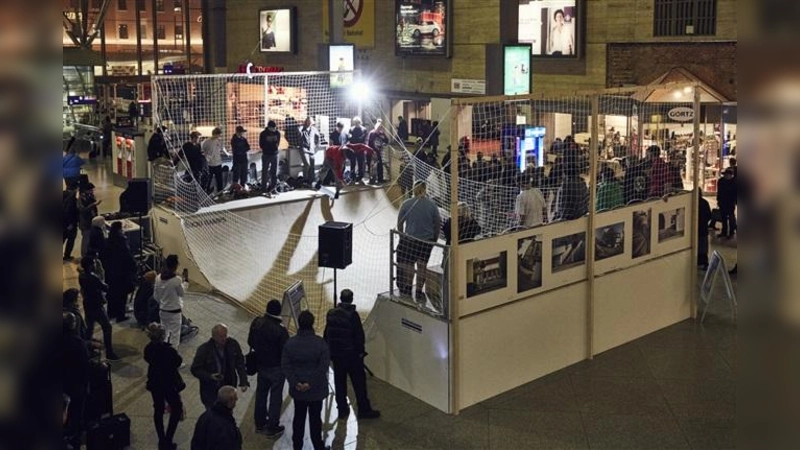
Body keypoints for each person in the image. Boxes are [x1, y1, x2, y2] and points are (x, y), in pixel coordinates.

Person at [324, 289, 380, 421]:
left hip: (337, 355)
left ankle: (342, 409)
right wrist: (360, 353)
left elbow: (327, 334)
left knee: (340, 383)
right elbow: (359, 336)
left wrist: (330, 351)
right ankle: (363, 409)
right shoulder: (353, 315)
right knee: (359, 384)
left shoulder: (330, 313)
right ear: (351, 299)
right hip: (351, 356)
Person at [282, 311, 331, 450]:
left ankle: (297, 446)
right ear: (312, 323)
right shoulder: (320, 343)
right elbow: (323, 367)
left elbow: (286, 365)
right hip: (315, 391)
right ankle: (318, 446)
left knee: (298, 419)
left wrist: (295, 382)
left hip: (299, 392)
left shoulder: (290, 343)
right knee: (315, 420)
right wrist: (310, 383)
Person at [247, 300, 288, 437]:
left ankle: (259, 424)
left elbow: (250, 341)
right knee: (275, 398)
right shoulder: (281, 330)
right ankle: (272, 427)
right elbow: (285, 351)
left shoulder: (257, 322)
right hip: (276, 368)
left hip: (261, 365)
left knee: (261, 394)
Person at [396, 181, 442, 299]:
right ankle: (418, 291)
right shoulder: (432, 205)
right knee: (422, 266)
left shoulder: (406, 204)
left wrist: (402, 237)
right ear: (425, 189)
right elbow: (437, 224)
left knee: (409, 265)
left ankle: (408, 287)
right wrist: (434, 239)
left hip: (410, 240)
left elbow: (400, 223)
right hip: (426, 241)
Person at [144, 323, 185, 450]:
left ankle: (161, 439)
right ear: (163, 336)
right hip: (169, 382)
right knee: (176, 408)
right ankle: (168, 438)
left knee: (158, 409)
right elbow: (178, 361)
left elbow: (147, 359)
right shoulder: (169, 350)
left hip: (155, 382)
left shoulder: (148, 349)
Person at [191, 323, 249, 410]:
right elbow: (195, 369)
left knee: (227, 412)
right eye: (221, 337)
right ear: (214, 336)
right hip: (211, 391)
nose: (224, 339)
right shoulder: (204, 350)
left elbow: (239, 362)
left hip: (229, 386)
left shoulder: (232, 344)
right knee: (212, 412)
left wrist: (243, 380)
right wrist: (209, 376)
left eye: (225, 335)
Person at [79, 256, 120, 360]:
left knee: (90, 327)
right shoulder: (93, 277)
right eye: (93, 263)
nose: (95, 264)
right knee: (107, 328)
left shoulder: (81, 276)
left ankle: (87, 349)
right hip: (96, 305)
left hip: (87, 303)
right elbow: (104, 287)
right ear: (89, 265)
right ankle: (109, 352)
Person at [62, 312, 91, 449]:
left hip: (61, 383)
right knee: (77, 412)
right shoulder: (77, 343)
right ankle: (75, 438)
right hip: (76, 384)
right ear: (73, 325)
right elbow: (85, 365)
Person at [103, 221, 137, 322]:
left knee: (112, 293)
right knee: (122, 295)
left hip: (110, 272)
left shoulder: (108, 240)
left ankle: (111, 312)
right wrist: (133, 266)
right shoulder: (121, 240)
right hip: (122, 273)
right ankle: (120, 315)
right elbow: (127, 257)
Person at [190, 386, 243, 450]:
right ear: (230, 401)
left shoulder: (204, 416)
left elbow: (196, 441)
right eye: (235, 398)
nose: (237, 399)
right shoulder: (226, 426)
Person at [155, 255, 187, 348]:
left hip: (162, 311)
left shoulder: (158, 278)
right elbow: (182, 294)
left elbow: (155, 295)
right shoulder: (177, 280)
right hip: (174, 313)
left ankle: (163, 354)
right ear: (175, 266)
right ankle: (172, 359)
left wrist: (162, 303)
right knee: (175, 337)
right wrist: (185, 283)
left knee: (164, 334)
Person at [78, 183, 101, 257]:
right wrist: (94, 204)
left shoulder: (90, 196)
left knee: (91, 239)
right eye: (91, 190)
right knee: (86, 240)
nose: (92, 191)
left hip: (91, 221)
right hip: (85, 222)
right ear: (86, 190)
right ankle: (84, 256)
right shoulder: (81, 198)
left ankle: (89, 254)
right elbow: (83, 210)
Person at [202, 127, 226, 194]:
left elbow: (222, 148)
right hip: (210, 164)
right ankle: (206, 192)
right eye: (219, 134)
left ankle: (220, 192)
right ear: (215, 134)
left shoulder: (219, 141)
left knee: (219, 179)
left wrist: (226, 153)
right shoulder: (206, 142)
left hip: (218, 163)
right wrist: (207, 157)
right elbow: (203, 150)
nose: (219, 136)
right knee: (208, 179)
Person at [260, 120, 281, 193]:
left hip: (275, 154)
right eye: (273, 128)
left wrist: (274, 147)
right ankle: (263, 189)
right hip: (266, 154)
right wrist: (268, 148)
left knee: (274, 172)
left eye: (275, 127)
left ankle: (273, 188)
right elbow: (261, 144)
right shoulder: (263, 134)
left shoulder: (277, 133)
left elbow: (278, 143)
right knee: (265, 172)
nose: (275, 129)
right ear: (269, 127)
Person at [297, 117, 320, 186]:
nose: (309, 123)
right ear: (306, 121)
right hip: (304, 149)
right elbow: (298, 131)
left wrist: (316, 145)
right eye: (308, 121)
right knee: (307, 164)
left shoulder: (314, 129)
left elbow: (318, 137)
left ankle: (311, 180)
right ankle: (305, 180)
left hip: (311, 149)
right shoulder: (301, 128)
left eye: (310, 122)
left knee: (312, 165)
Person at [717, 167, 737, 239]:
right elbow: (719, 192)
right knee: (724, 217)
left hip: (730, 202)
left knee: (730, 217)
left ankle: (731, 231)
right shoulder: (721, 181)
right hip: (724, 202)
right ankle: (724, 231)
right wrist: (718, 200)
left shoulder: (734, 182)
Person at [367, 120, 387, 184]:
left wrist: (383, 136)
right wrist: (374, 151)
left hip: (378, 152)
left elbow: (387, 140)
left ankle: (380, 179)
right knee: (372, 167)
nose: (379, 129)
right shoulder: (372, 133)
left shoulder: (381, 133)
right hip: (372, 153)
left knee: (380, 166)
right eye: (378, 128)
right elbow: (370, 143)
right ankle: (372, 180)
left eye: (381, 128)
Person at [347, 117, 367, 182]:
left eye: (357, 122)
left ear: (360, 122)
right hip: (353, 149)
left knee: (360, 163)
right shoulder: (351, 129)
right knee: (353, 163)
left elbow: (362, 139)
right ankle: (353, 177)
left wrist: (354, 139)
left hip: (360, 149)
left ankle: (360, 177)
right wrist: (357, 140)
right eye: (355, 122)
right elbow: (349, 138)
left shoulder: (363, 129)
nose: (356, 124)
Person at [63, 187, 79, 262]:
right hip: (70, 224)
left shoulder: (64, 195)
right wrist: (71, 223)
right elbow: (69, 212)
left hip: (63, 222)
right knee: (71, 240)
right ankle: (67, 255)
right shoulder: (72, 200)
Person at [698, 193, 712, 269]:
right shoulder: (704, 202)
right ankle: (704, 262)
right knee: (703, 246)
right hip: (703, 228)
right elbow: (709, 215)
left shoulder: (693, 203)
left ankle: (700, 261)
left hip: (698, 229)